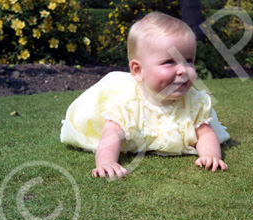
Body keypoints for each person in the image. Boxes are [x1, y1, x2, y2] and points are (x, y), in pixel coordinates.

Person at [61, 12, 230, 180]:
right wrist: (106, 162)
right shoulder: (128, 102)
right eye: (169, 62)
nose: (183, 70)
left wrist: (210, 155)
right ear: (138, 70)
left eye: (189, 61)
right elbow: (111, 135)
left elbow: (205, 134)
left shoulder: (193, 102)